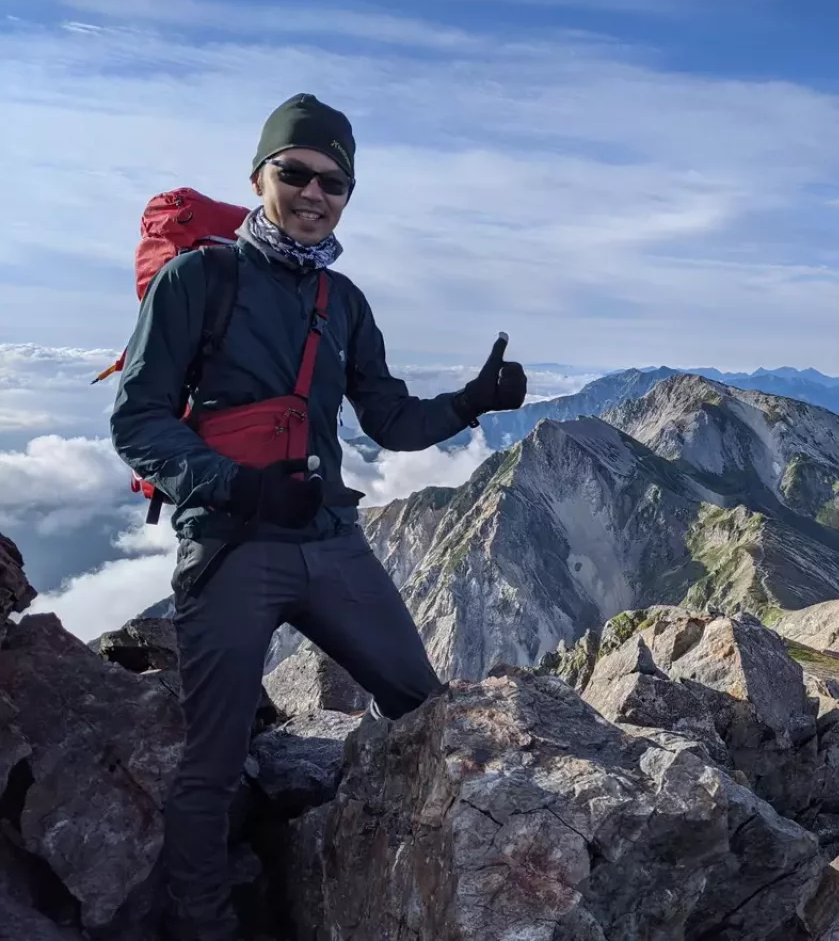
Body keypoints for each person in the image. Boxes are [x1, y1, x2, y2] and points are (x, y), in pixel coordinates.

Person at [109, 93, 526, 940]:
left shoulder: (345, 301)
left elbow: (390, 421)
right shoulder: (201, 280)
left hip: (329, 542)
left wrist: (472, 402)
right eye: (294, 173)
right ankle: (205, 924)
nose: (314, 193)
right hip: (231, 547)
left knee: (422, 705)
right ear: (259, 176)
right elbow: (138, 421)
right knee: (215, 762)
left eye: (334, 183)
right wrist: (241, 488)